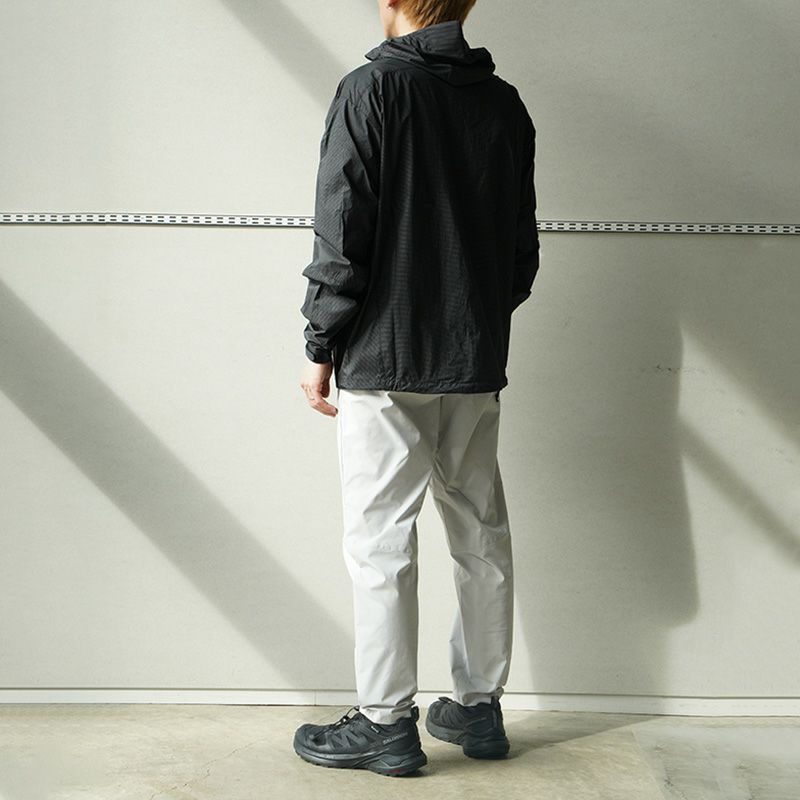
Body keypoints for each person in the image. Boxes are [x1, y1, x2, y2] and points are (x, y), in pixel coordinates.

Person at [295, 0, 539, 777]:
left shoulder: (371, 91)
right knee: (481, 533)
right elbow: (520, 253)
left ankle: (385, 723)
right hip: (472, 361)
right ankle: (479, 707)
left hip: (386, 359)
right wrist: (473, 323)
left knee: (381, 543)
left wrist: (320, 343)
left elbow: (343, 232)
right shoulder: (503, 104)